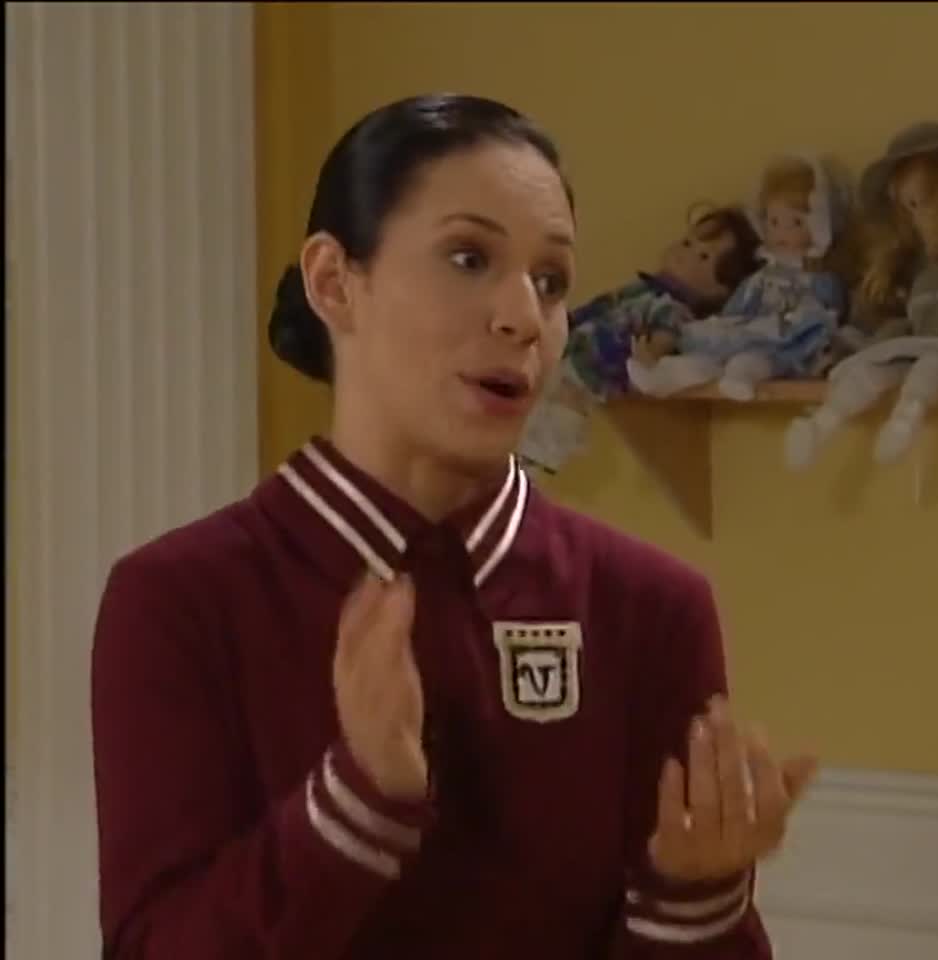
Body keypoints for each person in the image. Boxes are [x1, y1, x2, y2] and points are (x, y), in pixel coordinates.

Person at [90, 93, 817, 959]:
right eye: (469, 258)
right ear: (334, 282)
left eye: (551, 281)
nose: (523, 318)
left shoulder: (652, 608)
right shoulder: (181, 600)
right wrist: (357, 802)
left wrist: (692, 901)